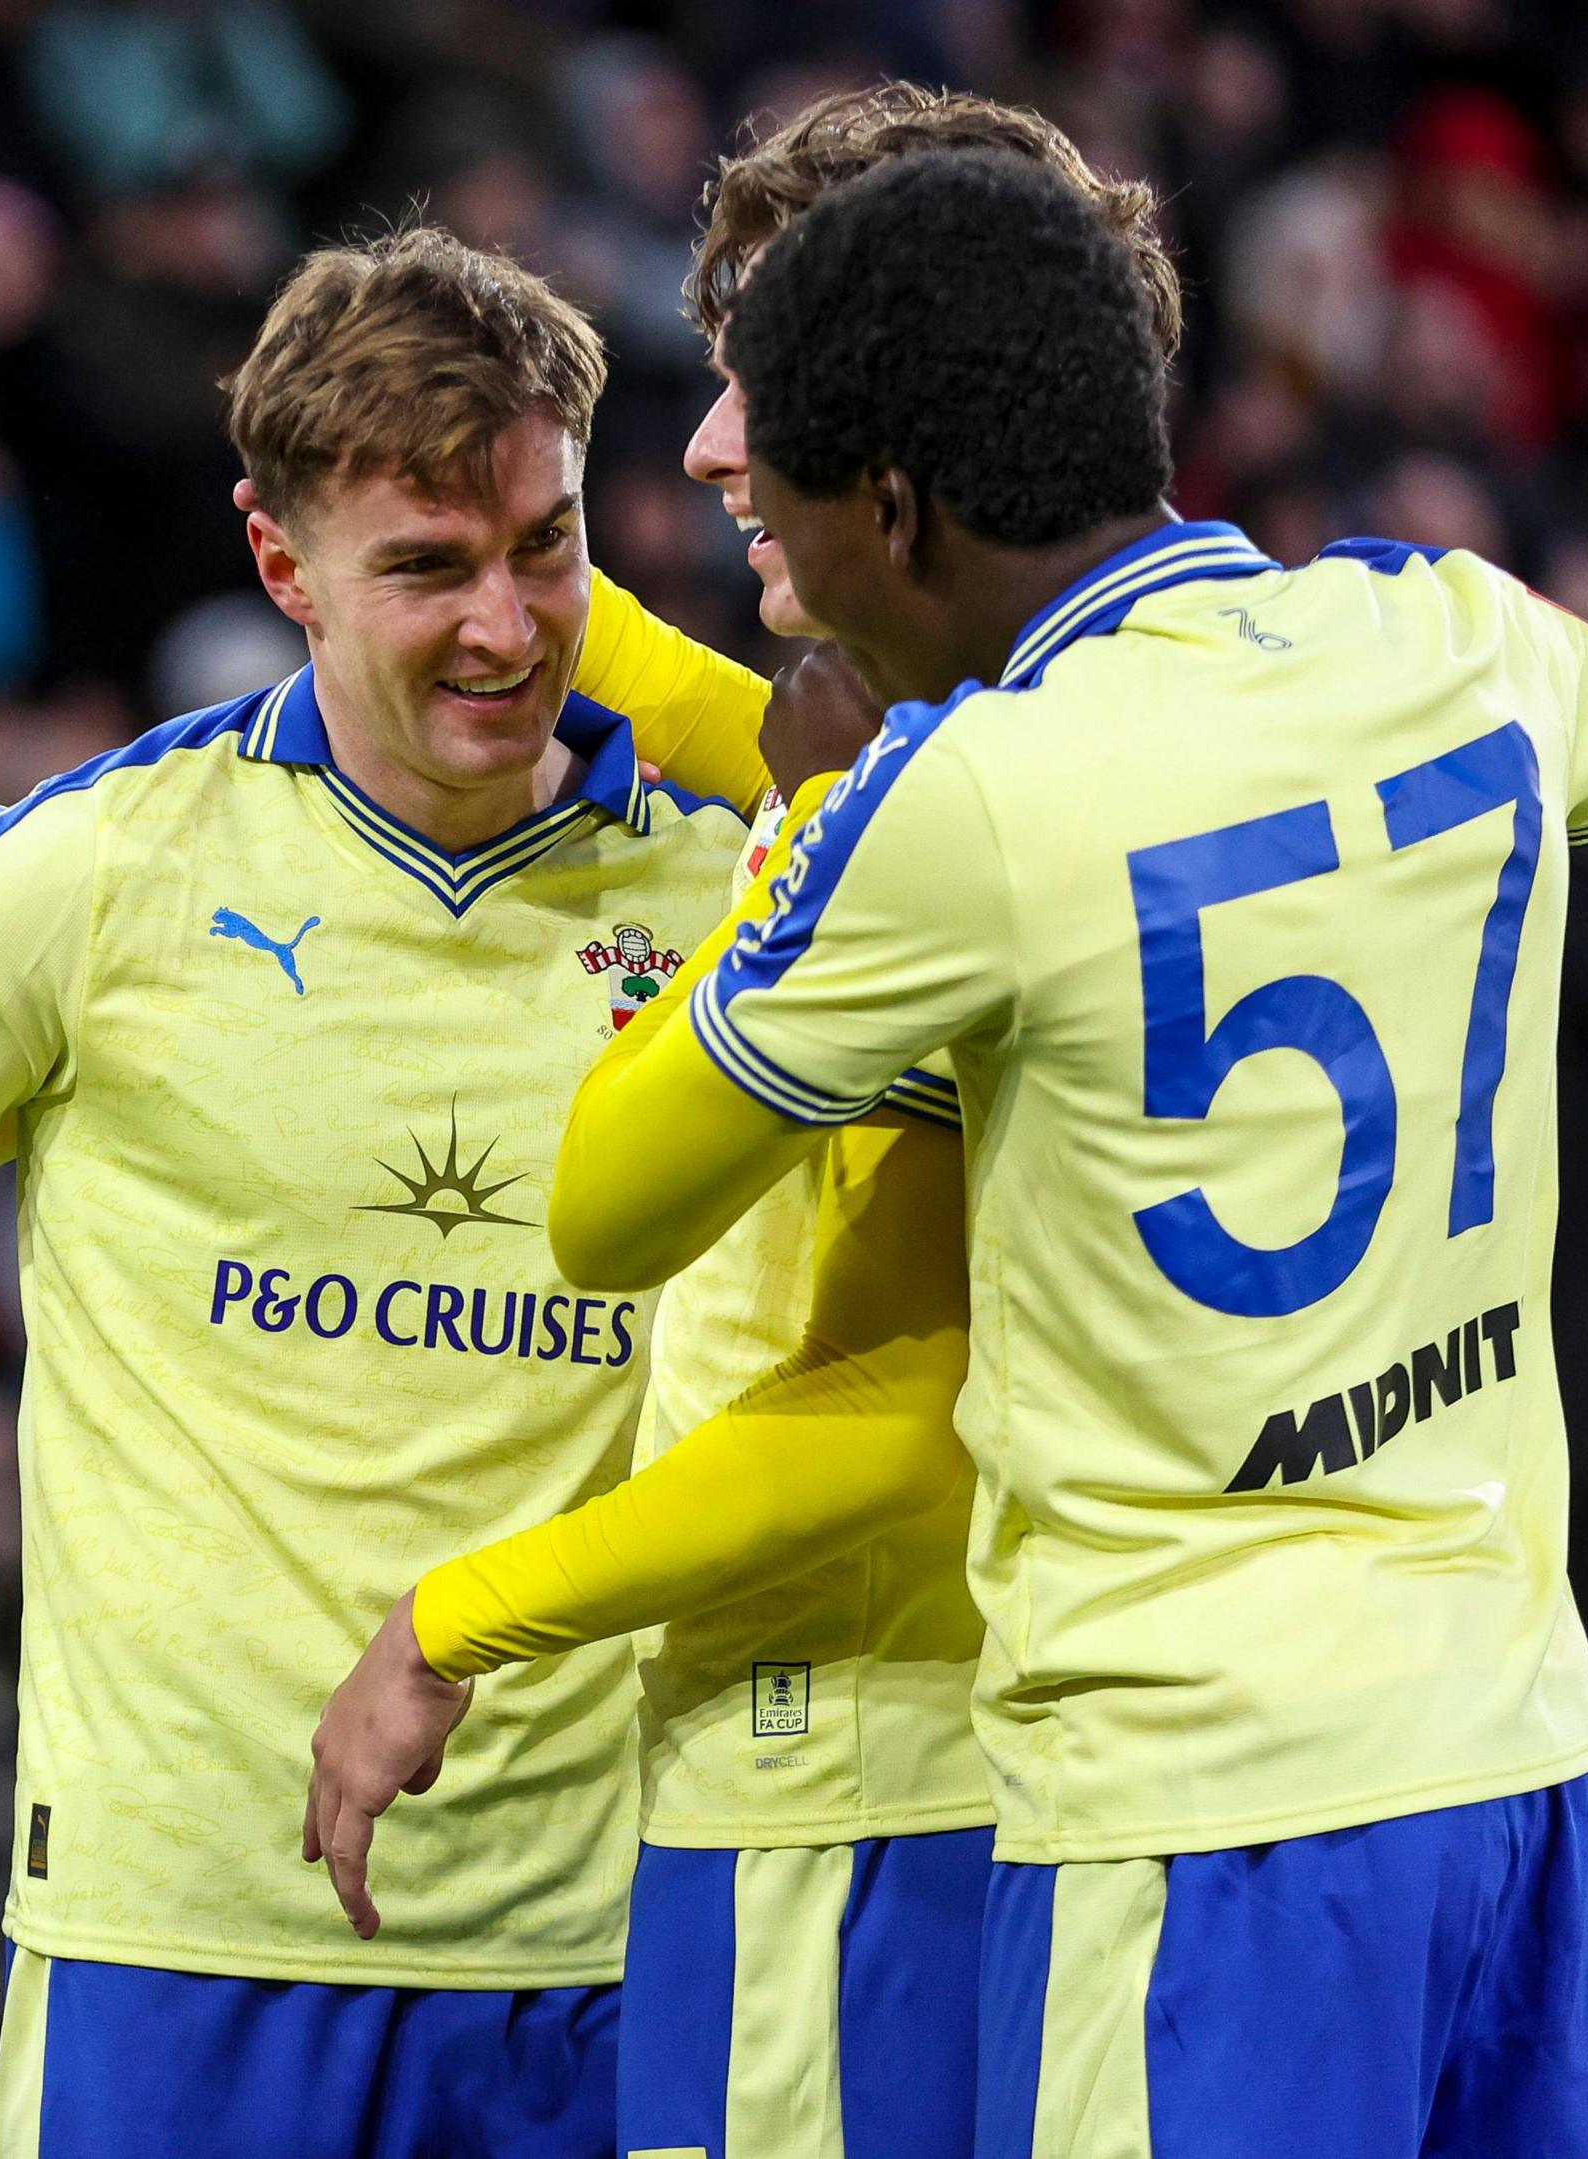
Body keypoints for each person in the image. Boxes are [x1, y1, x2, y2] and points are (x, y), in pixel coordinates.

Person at [536, 150, 1588, 2155]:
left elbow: (608, 1211)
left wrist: (803, 841)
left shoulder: (961, 809)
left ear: (897, 513)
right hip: (1518, 1765)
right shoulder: (1449, 635)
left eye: (792, 491)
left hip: (1205, 1820)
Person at [0, 226, 772, 2158]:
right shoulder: (95, 878)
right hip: (172, 1945)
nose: (508, 629)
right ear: (284, 568)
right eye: (426, 570)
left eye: (545, 547)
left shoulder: (740, 897)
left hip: (610, 1946)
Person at [306, 87, 1169, 2159]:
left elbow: (916, 1382)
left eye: (757, 386)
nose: (705, 451)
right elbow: (638, 665)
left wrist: (460, 1621)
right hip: (912, 1770)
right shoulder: (991, 733)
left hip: (868, 1782)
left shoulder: (957, 834)